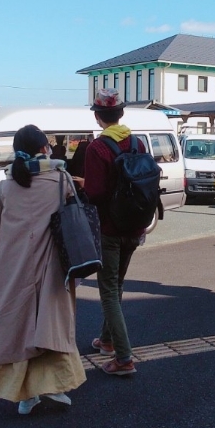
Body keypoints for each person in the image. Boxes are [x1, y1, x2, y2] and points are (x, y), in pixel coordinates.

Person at [0, 124, 86, 415]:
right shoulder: (60, 180)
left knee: (16, 329)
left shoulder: (4, 186)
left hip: (10, 271)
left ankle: (24, 395)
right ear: (44, 149)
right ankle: (57, 387)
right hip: (50, 269)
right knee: (51, 326)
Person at [81, 88, 144, 376]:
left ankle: (124, 358)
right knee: (116, 284)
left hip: (108, 228)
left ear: (97, 116)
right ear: (121, 113)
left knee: (108, 291)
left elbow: (95, 193)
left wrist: (79, 182)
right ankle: (107, 341)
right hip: (135, 225)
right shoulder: (137, 143)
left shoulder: (98, 148)